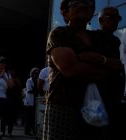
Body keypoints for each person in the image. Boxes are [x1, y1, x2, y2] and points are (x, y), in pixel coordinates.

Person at [42, 0, 122, 139]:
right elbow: (70, 69)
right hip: (64, 105)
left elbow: (117, 68)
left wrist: (95, 59)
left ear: (92, 14)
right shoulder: (60, 33)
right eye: (76, 3)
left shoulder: (98, 37)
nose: (84, 6)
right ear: (65, 12)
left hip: (95, 106)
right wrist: (103, 65)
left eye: (88, 4)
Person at [94, 6, 125, 139]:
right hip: (98, 97)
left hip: (114, 98)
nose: (115, 21)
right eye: (111, 18)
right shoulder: (94, 37)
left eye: (117, 18)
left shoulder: (116, 41)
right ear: (100, 20)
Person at [0, 68, 22, 138]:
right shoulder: (5, 79)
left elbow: (19, 89)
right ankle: (2, 132)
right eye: (10, 71)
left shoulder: (16, 80)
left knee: (11, 119)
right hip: (5, 101)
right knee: (4, 118)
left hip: (13, 102)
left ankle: (9, 132)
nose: (11, 72)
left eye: (12, 71)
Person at [24, 67, 39, 136]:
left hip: (36, 102)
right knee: (28, 118)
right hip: (29, 102)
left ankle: (34, 131)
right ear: (32, 73)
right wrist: (37, 90)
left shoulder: (38, 80)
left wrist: (35, 89)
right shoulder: (29, 81)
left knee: (34, 117)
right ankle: (27, 131)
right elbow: (29, 90)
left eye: (37, 73)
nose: (36, 74)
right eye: (35, 73)